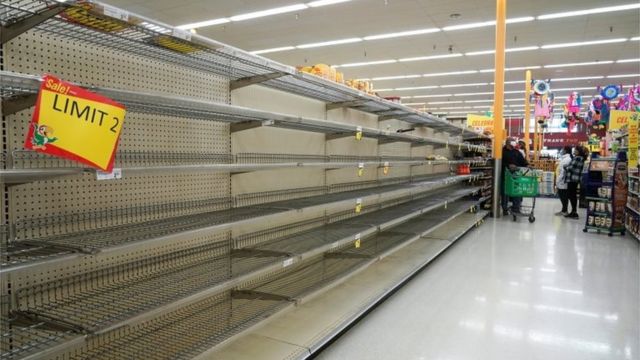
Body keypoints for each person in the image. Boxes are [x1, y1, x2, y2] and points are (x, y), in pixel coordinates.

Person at [502, 137, 528, 214]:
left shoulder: (516, 152)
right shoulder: (501, 151)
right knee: (505, 192)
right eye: (512, 141)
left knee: (517, 191)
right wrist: (508, 165)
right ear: (507, 142)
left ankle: (516, 208)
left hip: (516, 175)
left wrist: (527, 165)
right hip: (505, 175)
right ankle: (504, 208)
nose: (514, 142)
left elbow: (523, 161)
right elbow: (500, 162)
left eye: (514, 141)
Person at [563, 145, 588, 219]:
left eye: (575, 150)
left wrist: (565, 167)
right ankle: (573, 211)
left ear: (578, 151)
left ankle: (574, 212)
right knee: (572, 195)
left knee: (572, 195)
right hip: (575, 179)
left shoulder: (577, 158)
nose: (574, 151)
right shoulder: (581, 158)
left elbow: (570, 168)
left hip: (572, 179)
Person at [555, 146, 573, 216]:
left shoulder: (567, 159)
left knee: (563, 195)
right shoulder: (565, 158)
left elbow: (563, 172)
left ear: (565, 151)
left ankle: (565, 210)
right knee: (562, 195)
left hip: (563, 181)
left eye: (562, 149)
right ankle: (563, 210)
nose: (561, 150)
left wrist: (558, 181)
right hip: (562, 180)